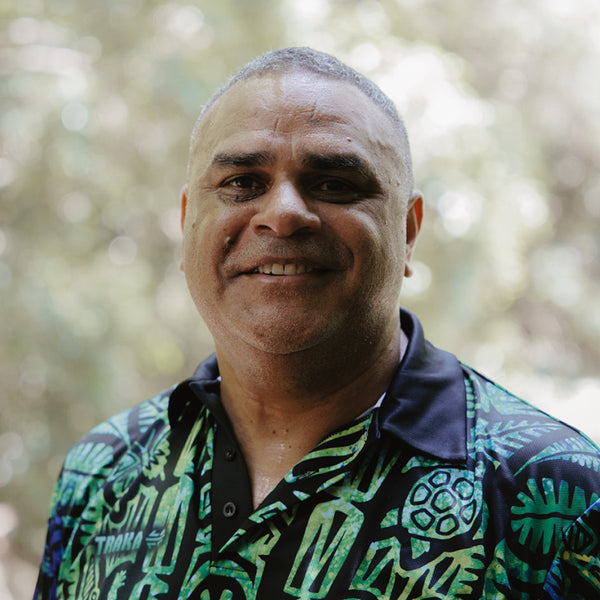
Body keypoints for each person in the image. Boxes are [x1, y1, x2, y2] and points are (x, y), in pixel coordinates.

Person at [34, 47, 600, 600]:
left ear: (407, 231)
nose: (282, 214)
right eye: (242, 183)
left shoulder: (558, 499)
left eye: (333, 184)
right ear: (187, 224)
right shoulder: (102, 472)